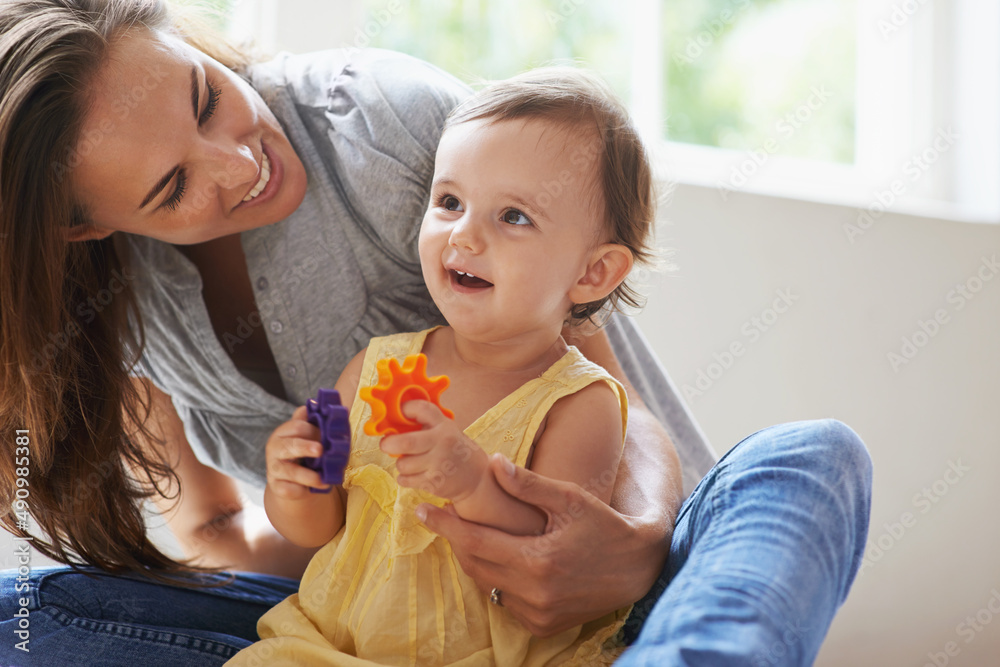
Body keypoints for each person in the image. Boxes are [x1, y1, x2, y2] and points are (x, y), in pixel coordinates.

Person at [0, 1, 872, 665]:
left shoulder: (384, 126)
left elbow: (609, 398)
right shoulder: (113, 312)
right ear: (84, 228)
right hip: (351, 622)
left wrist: (633, 544)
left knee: (810, 460)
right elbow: (228, 530)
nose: (239, 161)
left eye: (205, 97)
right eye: (169, 188)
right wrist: (314, 504)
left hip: (612, 593)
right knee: (20, 617)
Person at [228, 67, 652, 666]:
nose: (465, 234)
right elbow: (318, 531)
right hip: (334, 646)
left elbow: (552, 549)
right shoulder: (376, 368)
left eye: (514, 217)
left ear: (593, 273)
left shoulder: (580, 404)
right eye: (450, 201)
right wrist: (294, 485)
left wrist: (473, 483)